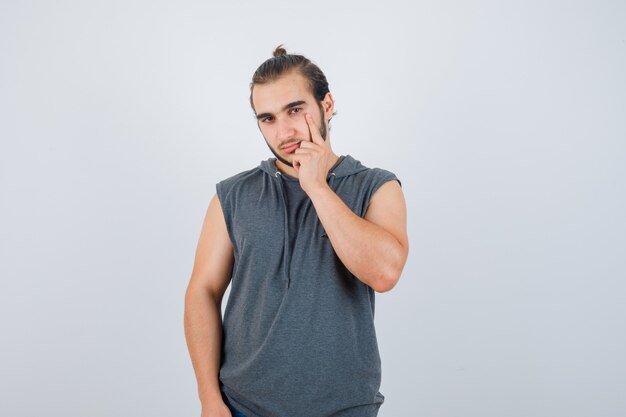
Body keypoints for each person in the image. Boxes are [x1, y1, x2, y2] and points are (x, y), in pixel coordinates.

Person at [184, 45, 409, 417]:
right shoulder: (234, 194)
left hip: (345, 408)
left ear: (327, 104)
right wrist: (209, 398)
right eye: (267, 118)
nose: (283, 131)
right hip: (242, 406)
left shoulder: (376, 186)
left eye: (295, 109)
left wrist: (318, 187)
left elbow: (384, 274)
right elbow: (202, 291)